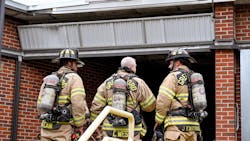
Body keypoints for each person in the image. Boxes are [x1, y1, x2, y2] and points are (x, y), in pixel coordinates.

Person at [90, 56, 156, 140]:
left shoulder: (107, 82)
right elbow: (149, 107)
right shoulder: (139, 83)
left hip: (110, 130)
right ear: (132, 67)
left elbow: (96, 106)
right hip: (132, 130)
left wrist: (95, 125)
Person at [37, 48, 88, 141]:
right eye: (76, 63)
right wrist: (79, 125)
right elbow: (78, 104)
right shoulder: (75, 78)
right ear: (70, 63)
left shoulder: (49, 79)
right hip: (63, 130)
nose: (77, 67)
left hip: (46, 127)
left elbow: (40, 102)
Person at [154, 48, 203, 141]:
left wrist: (158, 120)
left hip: (176, 128)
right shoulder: (194, 78)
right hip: (194, 128)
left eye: (170, 62)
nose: (169, 65)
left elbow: (163, 100)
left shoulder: (173, 77)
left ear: (178, 62)